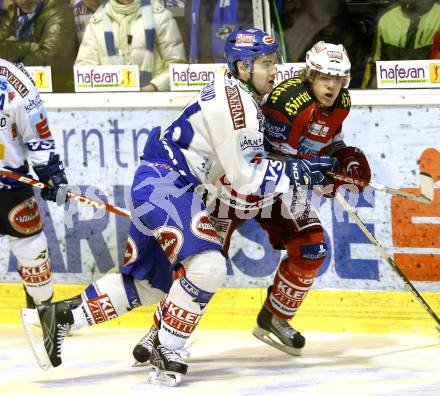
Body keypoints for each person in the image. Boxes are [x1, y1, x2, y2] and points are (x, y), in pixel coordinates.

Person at [21, 28, 339, 386]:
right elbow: (247, 178)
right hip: (167, 185)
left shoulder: (241, 94)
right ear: (242, 67)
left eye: (275, 62)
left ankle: (58, 317)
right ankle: (167, 347)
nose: (274, 70)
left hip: (165, 185)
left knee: (151, 284)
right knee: (207, 266)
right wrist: (299, 169)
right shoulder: (238, 107)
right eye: (266, 63)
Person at [131, 40, 372, 363]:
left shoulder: (341, 101)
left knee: (312, 246)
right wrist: (320, 176)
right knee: (202, 260)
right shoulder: (289, 101)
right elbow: (265, 161)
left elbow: (328, 141)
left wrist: (344, 157)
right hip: (239, 187)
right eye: (326, 78)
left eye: (339, 79)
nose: (332, 86)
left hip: (281, 187)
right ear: (310, 75)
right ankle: (161, 330)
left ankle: (275, 317)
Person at [0, 58, 68, 308]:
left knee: (32, 254)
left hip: (10, 184)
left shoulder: (12, 78)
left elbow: (37, 133)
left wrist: (49, 171)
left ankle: (44, 307)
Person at [75, 0, 186, 91]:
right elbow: (84, 69)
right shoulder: (96, 22)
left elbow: (177, 66)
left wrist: (153, 87)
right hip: (110, 106)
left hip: (155, 105)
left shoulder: (160, 16)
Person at [0, 0, 78, 92]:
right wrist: (29, 47)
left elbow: (50, 59)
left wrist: (11, 69)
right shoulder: (14, 11)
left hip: (55, 93)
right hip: (17, 92)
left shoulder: (59, 10)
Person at [362, 0, 440, 88]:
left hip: (432, 96)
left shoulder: (437, 16)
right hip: (393, 96)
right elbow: (375, 69)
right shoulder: (388, 18)